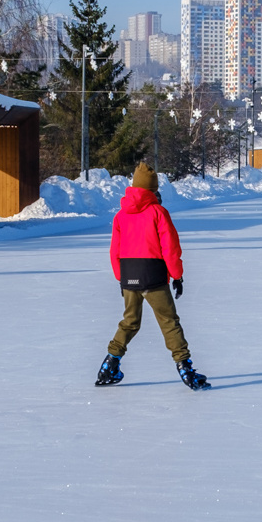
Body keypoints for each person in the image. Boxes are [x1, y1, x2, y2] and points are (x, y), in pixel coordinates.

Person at [97, 163, 211, 391]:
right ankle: (186, 369)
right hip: (153, 278)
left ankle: (109, 365)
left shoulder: (121, 216)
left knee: (129, 322)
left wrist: (122, 278)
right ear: (153, 189)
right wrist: (177, 276)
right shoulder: (158, 212)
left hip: (129, 277)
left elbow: (115, 251)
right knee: (169, 322)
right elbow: (170, 248)